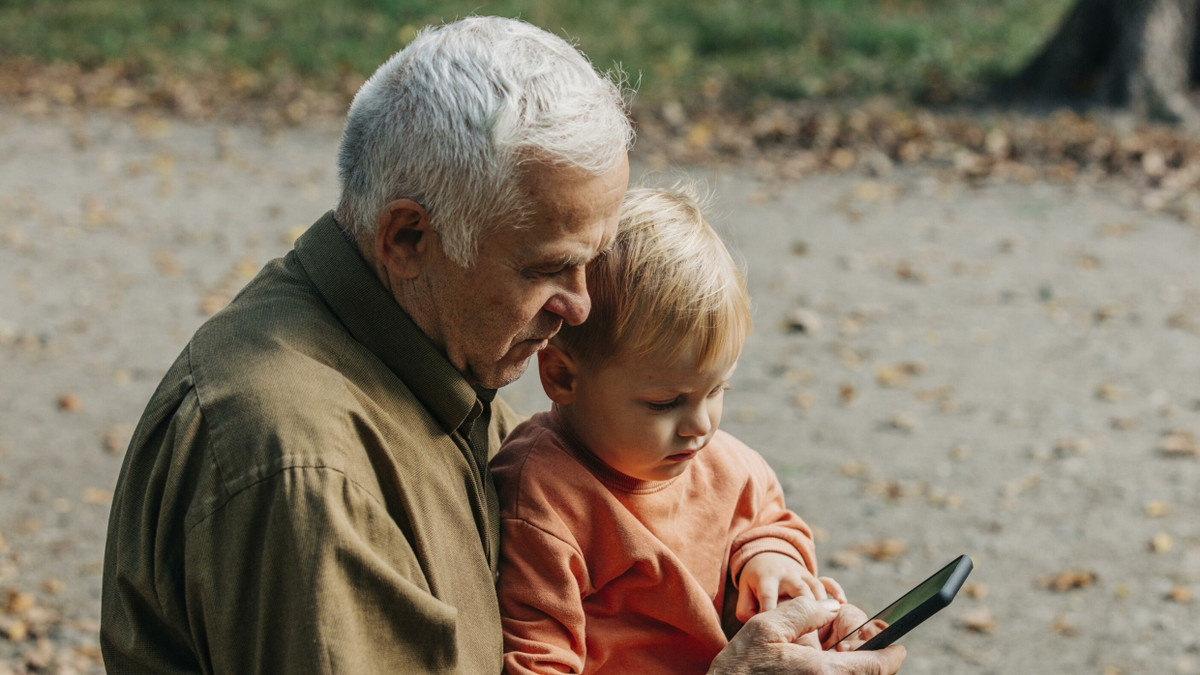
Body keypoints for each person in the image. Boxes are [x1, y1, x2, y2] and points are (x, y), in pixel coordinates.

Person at [100, 15, 904, 675]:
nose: (581, 306)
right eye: (549, 268)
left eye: (592, 261)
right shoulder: (306, 468)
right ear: (409, 236)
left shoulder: (433, 355)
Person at [492, 186, 902, 673]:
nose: (700, 426)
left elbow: (766, 523)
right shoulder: (543, 503)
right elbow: (539, 663)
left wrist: (771, 563)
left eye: (717, 390)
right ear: (561, 376)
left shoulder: (726, 466)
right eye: (666, 403)